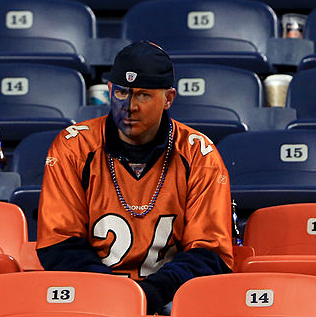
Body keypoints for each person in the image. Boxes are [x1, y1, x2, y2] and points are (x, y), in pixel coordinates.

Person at [36, 40, 234, 314]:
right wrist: (114, 295)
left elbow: (210, 252)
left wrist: (152, 293)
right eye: (121, 93)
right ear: (109, 91)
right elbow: (59, 244)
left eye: (143, 95)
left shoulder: (198, 153)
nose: (129, 106)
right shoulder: (73, 147)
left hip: (171, 298)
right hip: (89, 297)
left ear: (168, 98)